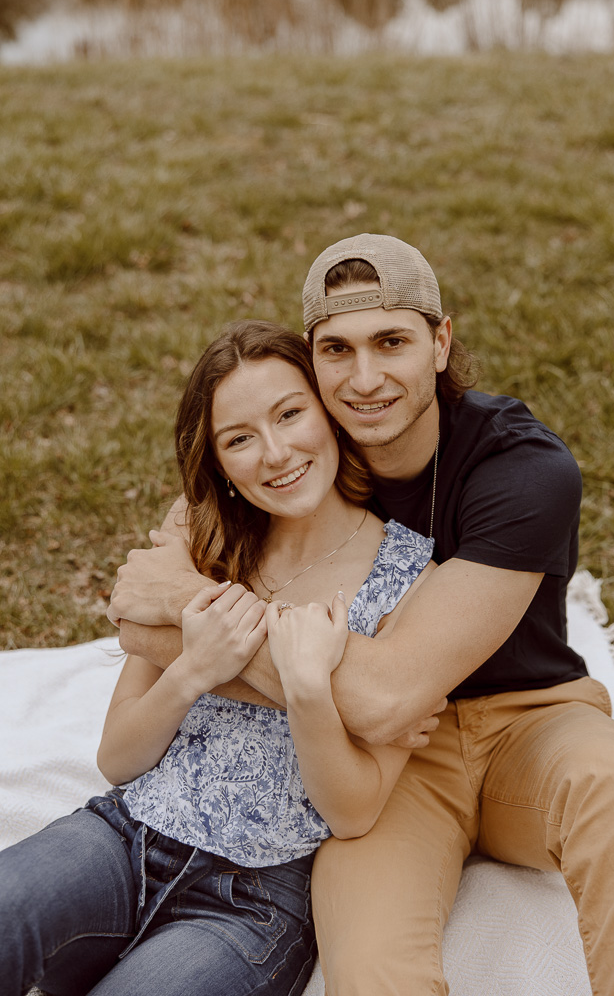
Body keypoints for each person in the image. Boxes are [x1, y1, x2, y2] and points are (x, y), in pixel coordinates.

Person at [109, 234, 614, 996]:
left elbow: (379, 697)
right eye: (336, 350)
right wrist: (172, 611)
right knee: (371, 961)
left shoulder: (524, 468)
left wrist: (185, 603)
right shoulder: (297, 445)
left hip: (527, 722)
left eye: (392, 342)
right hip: (392, 771)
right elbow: (136, 622)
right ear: (311, 362)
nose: (364, 379)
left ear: (440, 343)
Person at [0, 320, 439, 996]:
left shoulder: (408, 573)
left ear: (327, 410)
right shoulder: (208, 550)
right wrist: (192, 671)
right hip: (126, 836)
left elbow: (354, 813)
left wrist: (308, 690)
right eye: (238, 439)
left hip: (255, 903)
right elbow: (118, 758)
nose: (274, 453)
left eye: (290, 414)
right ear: (219, 463)